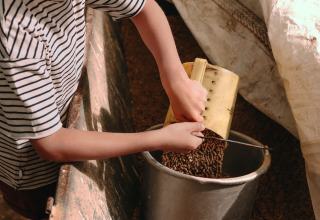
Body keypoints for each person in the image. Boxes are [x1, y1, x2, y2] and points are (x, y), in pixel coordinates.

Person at [0, 0, 207, 219]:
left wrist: (175, 81)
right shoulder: (14, 37)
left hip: (60, 114)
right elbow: (49, 144)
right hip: (35, 173)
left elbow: (145, 9)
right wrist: (157, 139)